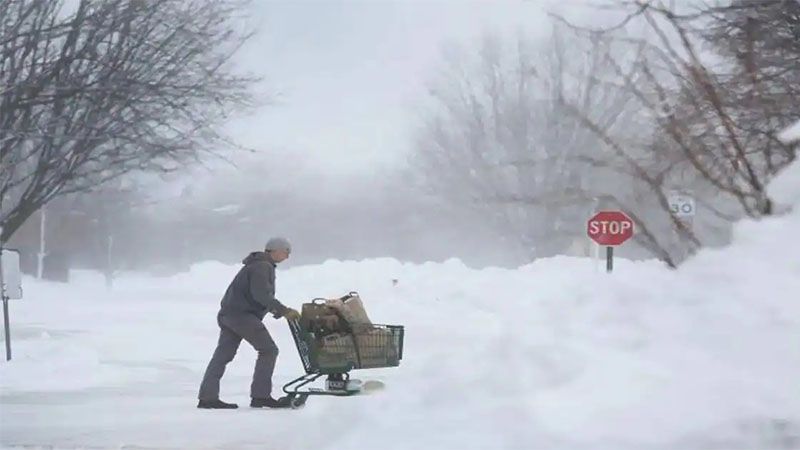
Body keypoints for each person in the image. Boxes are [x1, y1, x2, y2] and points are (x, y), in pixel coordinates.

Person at [197, 237, 301, 409]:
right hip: (242, 316)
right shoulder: (262, 266)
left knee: (222, 356)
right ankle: (261, 395)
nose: (287, 257)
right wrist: (284, 311)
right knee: (269, 350)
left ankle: (207, 397)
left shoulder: (256, 264)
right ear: (275, 250)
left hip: (229, 314)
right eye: (286, 252)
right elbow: (260, 295)